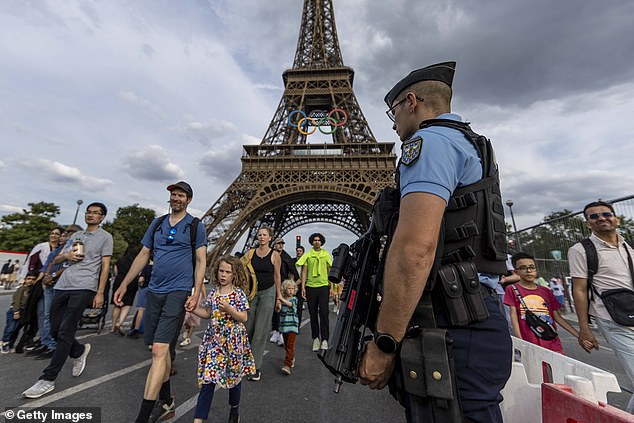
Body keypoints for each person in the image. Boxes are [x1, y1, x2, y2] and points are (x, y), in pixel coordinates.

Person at [358, 61, 512, 422]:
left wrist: (385, 343)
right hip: (474, 310)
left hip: (450, 321)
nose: (392, 123)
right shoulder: (472, 144)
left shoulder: (428, 142)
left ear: (411, 101)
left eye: (392, 111)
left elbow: (415, 249)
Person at [114, 181, 207, 423]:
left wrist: (196, 291)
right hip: (154, 291)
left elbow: (201, 260)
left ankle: (142, 417)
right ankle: (166, 402)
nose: (176, 198)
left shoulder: (196, 226)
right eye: (173, 194)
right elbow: (144, 254)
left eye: (180, 195)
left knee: (159, 350)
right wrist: (124, 283)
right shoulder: (157, 223)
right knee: (159, 350)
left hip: (178, 291)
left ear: (188, 199)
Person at [22, 202, 113, 399]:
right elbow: (60, 259)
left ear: (102, 217)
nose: (90, 215)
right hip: (63, 284)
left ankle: (48, 379)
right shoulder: (76, 236)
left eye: (95, 213)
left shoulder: (106, 237)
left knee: (65, 330)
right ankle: (78, 350)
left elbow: (105, 267)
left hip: (85, 286)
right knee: (54, 329)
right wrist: (65, 255)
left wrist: (100, 292)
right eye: (88, 212)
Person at [568, 200, 634, 414]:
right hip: (611, 319)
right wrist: (584, 328)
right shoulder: (581, 250)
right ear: (588, 223)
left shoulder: (629, 248)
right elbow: (579, 289)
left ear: (616, 219)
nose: (601, 218)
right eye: (594, 216)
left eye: (606, 214)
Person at [191, 255, 255, 423]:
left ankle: (234, 409)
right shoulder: (213, 293)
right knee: (208, 379)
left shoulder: (238, 294)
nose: (223, 275)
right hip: (215, 342)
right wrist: (192, 309)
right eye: (221, 271)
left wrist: (229, 309)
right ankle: (198, 419)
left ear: (234, 274)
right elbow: (207, 313)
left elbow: (244, 317)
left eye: (228, 272)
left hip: (234, 342)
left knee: (234, 379)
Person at [503, 252, 582, 354]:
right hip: (530, 341)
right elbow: (513, 316)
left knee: (558, 366)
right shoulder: (512, 289)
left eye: (532, 267)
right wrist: (520, 342)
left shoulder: (546, 291)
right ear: (515, 271)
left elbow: (557, 317)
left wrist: (579, 336)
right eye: (523, 268)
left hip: (550, 338)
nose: (529, 271)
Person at [33, 225, 83, 359]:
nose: (65, 235)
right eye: (65, 232)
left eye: (69, 232)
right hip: (49, 283)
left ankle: (53, 345)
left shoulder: (75, 247)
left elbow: (67, 266)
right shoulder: (60, 249)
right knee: (44, 315)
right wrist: (46, 276)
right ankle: (46, 342)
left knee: (53, 318)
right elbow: (51, 262)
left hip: (60, 285)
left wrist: (53, 275)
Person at [243, 226, 282, 382]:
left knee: (260, 331)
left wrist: (278, 297)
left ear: (270, 238)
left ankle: (255, 367)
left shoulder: (275, 255)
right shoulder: (250, 253)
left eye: (264, 235)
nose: (261, 237)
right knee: (248, 329)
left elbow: (277, 276)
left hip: (268, 293)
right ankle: (244, 361)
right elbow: (242, 272)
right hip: (252, 294)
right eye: (259, 234)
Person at [297, 232, 332, 352]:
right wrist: (303, 287)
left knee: (324, 312)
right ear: (312, 242)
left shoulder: (326, 255)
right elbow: (304, 272)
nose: (317, 242)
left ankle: (325, 339)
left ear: (322, 242)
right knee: (312, 314)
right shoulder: (308, 255)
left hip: (323, 286)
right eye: (315, 240)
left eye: (319, 240)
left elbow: (329, 271)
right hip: (311, 287)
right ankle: (316, 338)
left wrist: (332, 287)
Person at [269, 238, 298, 346]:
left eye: (282, 244)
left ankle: (281, 332)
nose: (280, 245)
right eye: (278, 244)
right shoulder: (270, 255)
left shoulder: (287, 258)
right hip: (271, 285)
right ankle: (276, 330)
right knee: (274, 310)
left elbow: (293, 273)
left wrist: (290, 287)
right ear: (274, 245)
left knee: (282, 310)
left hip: (282, 287)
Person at [2, 270, 38, 353]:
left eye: (33, 279)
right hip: (15, 311)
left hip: (22, 312)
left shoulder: (31, 290)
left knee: (15, 328)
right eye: (29, 279)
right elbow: (17, 301)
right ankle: (4, 343)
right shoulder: (21, 289)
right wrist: (16, 312)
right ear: (25, 279)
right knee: (10, 328)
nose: (30, 281)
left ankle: (8, 343)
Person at [110, 244, 142, 335]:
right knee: (127, 304)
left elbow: (115, 271)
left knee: (117, 304)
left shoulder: (120, 260)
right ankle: (120, 323)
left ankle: (112, 327)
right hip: (131, 282)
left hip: (119, 281)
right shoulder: (136, 262)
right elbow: (139, 273)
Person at [128, 258, 153, 339]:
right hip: (154, 289)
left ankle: (136, 329)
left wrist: (140, 285)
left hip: (145, 288)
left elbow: (141, 279)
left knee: (141, 309)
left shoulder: (146, 267)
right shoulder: (158, 267)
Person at [279, 279, 299, 375]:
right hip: (284, 326)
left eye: (292, 289)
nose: (291, 291)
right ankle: (291, 357)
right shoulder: (282, 300)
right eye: (289, 289)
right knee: (286, 345)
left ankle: (287, 365)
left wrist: (281, 300)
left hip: (292, 326)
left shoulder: (294, 299)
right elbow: (279, 311)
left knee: (290, 345)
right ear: (284, 290)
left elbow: (291, 305)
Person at [293, 246, 306, 326]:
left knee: (299, 307)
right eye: (297, 251)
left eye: (300, 251)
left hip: (300, 286)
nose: (298, 252)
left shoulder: (305, 262)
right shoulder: (292, 261)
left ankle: (298, 325)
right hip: (292, 286)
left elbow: (305, 275)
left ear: (303, 252)